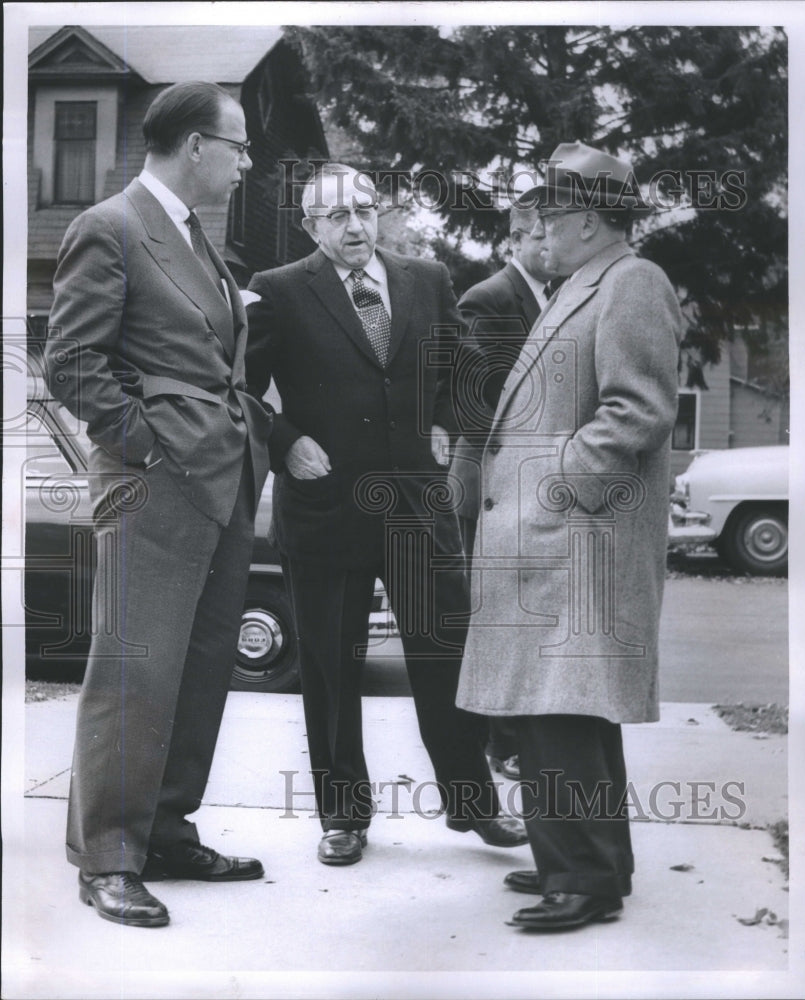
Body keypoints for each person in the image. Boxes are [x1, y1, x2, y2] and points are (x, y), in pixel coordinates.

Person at [244, 163, 527, 866]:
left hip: (416, 509)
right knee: (332, 667)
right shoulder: (279, 291)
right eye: (335, 215)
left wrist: (490, 417)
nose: (353, 226)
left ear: (380, 214)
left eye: (365, 210)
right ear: (310, 226)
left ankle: (474, 805)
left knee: (444, 653)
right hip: (325, 506)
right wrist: (285, 442)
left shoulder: (424, 279)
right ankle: (343, 816)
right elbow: (238, 392)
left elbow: (460, 375)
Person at [45, 82, 273, 928]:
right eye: (238, 146)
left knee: (203, 668)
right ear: (193, 147)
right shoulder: (109, 226)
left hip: (221, 483)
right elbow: (69, 363)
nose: (247, 162)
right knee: (133, 670)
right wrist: (150, 444)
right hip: (156, 483)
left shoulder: (197, 241)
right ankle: (107, 857)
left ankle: (166, 832)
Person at [456, 142, 682, 931]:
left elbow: (639, 410)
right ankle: (587, 863)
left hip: (574, 538)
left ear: (588, 220)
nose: (539, 229)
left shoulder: (630, 283)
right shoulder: (585, 284)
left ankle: (581, 878)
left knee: (560, 712)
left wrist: (552, 487)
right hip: (563, 540)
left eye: (550, 215)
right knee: (561, 712)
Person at [450, 204, 560, 780]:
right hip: (490, 476)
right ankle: (500, 744)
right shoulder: (490, 298)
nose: (553, 244)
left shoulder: (554, 295)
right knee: (495, 612)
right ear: (515, 237)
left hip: (531, 479)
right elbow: (484, 401)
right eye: (542, 234)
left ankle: (512, 739)